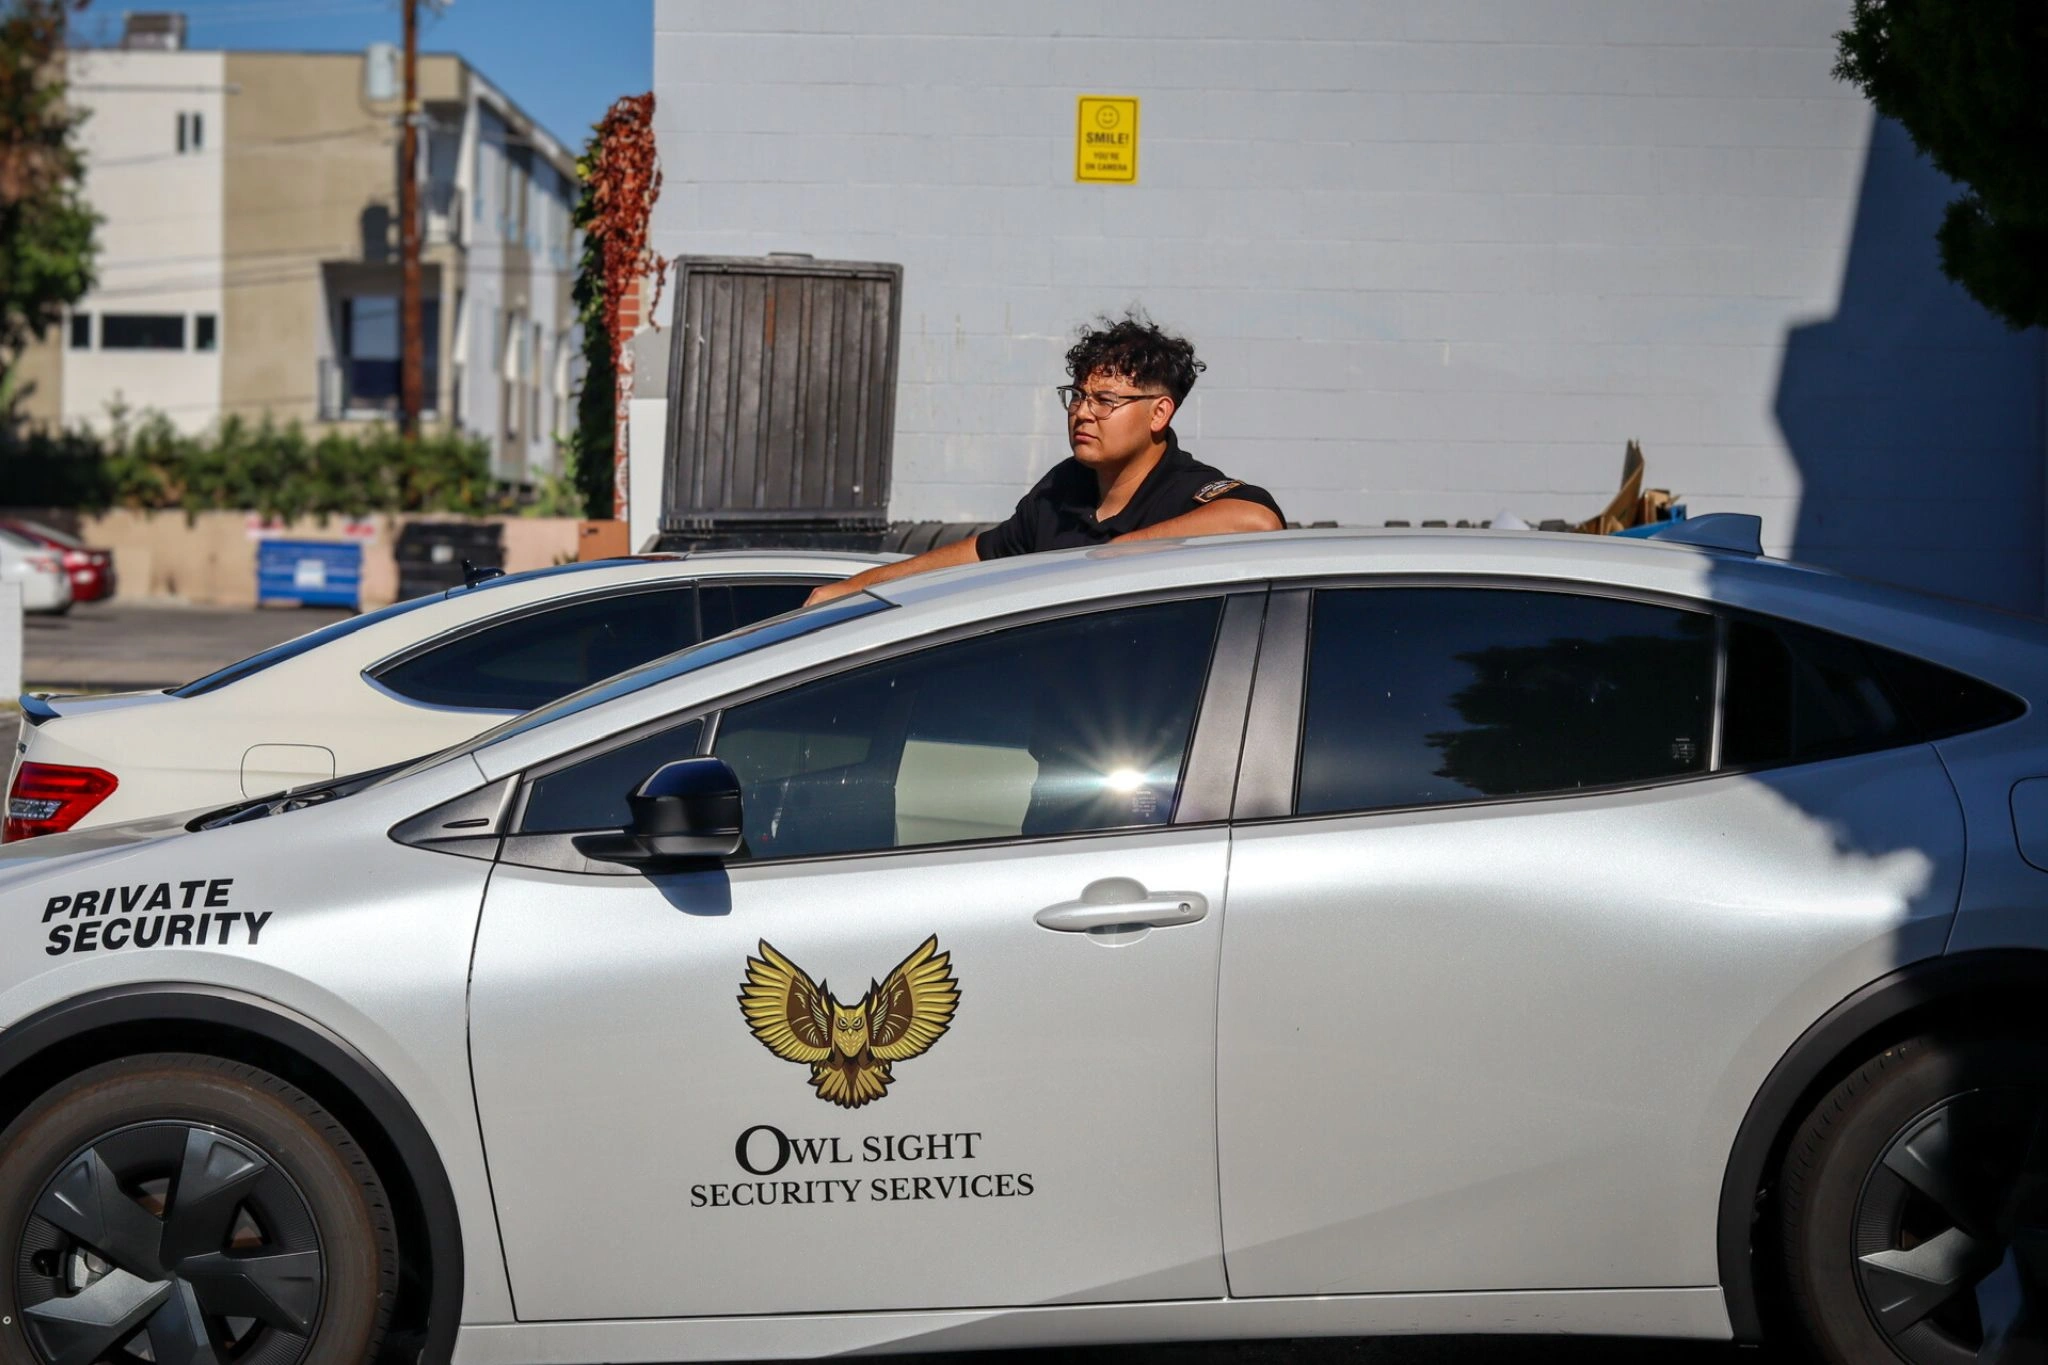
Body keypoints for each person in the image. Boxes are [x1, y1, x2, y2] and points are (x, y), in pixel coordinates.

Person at [807, 314, 1284, 605]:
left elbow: (1257, 521)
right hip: (1059, 752)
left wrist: (1109, 557)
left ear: (1160, 412)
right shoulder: (1063, 488)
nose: (1082, 412)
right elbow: (982, 552)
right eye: (1077, 396)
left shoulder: (1183, 488)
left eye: (1105, 401)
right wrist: (858, 587)